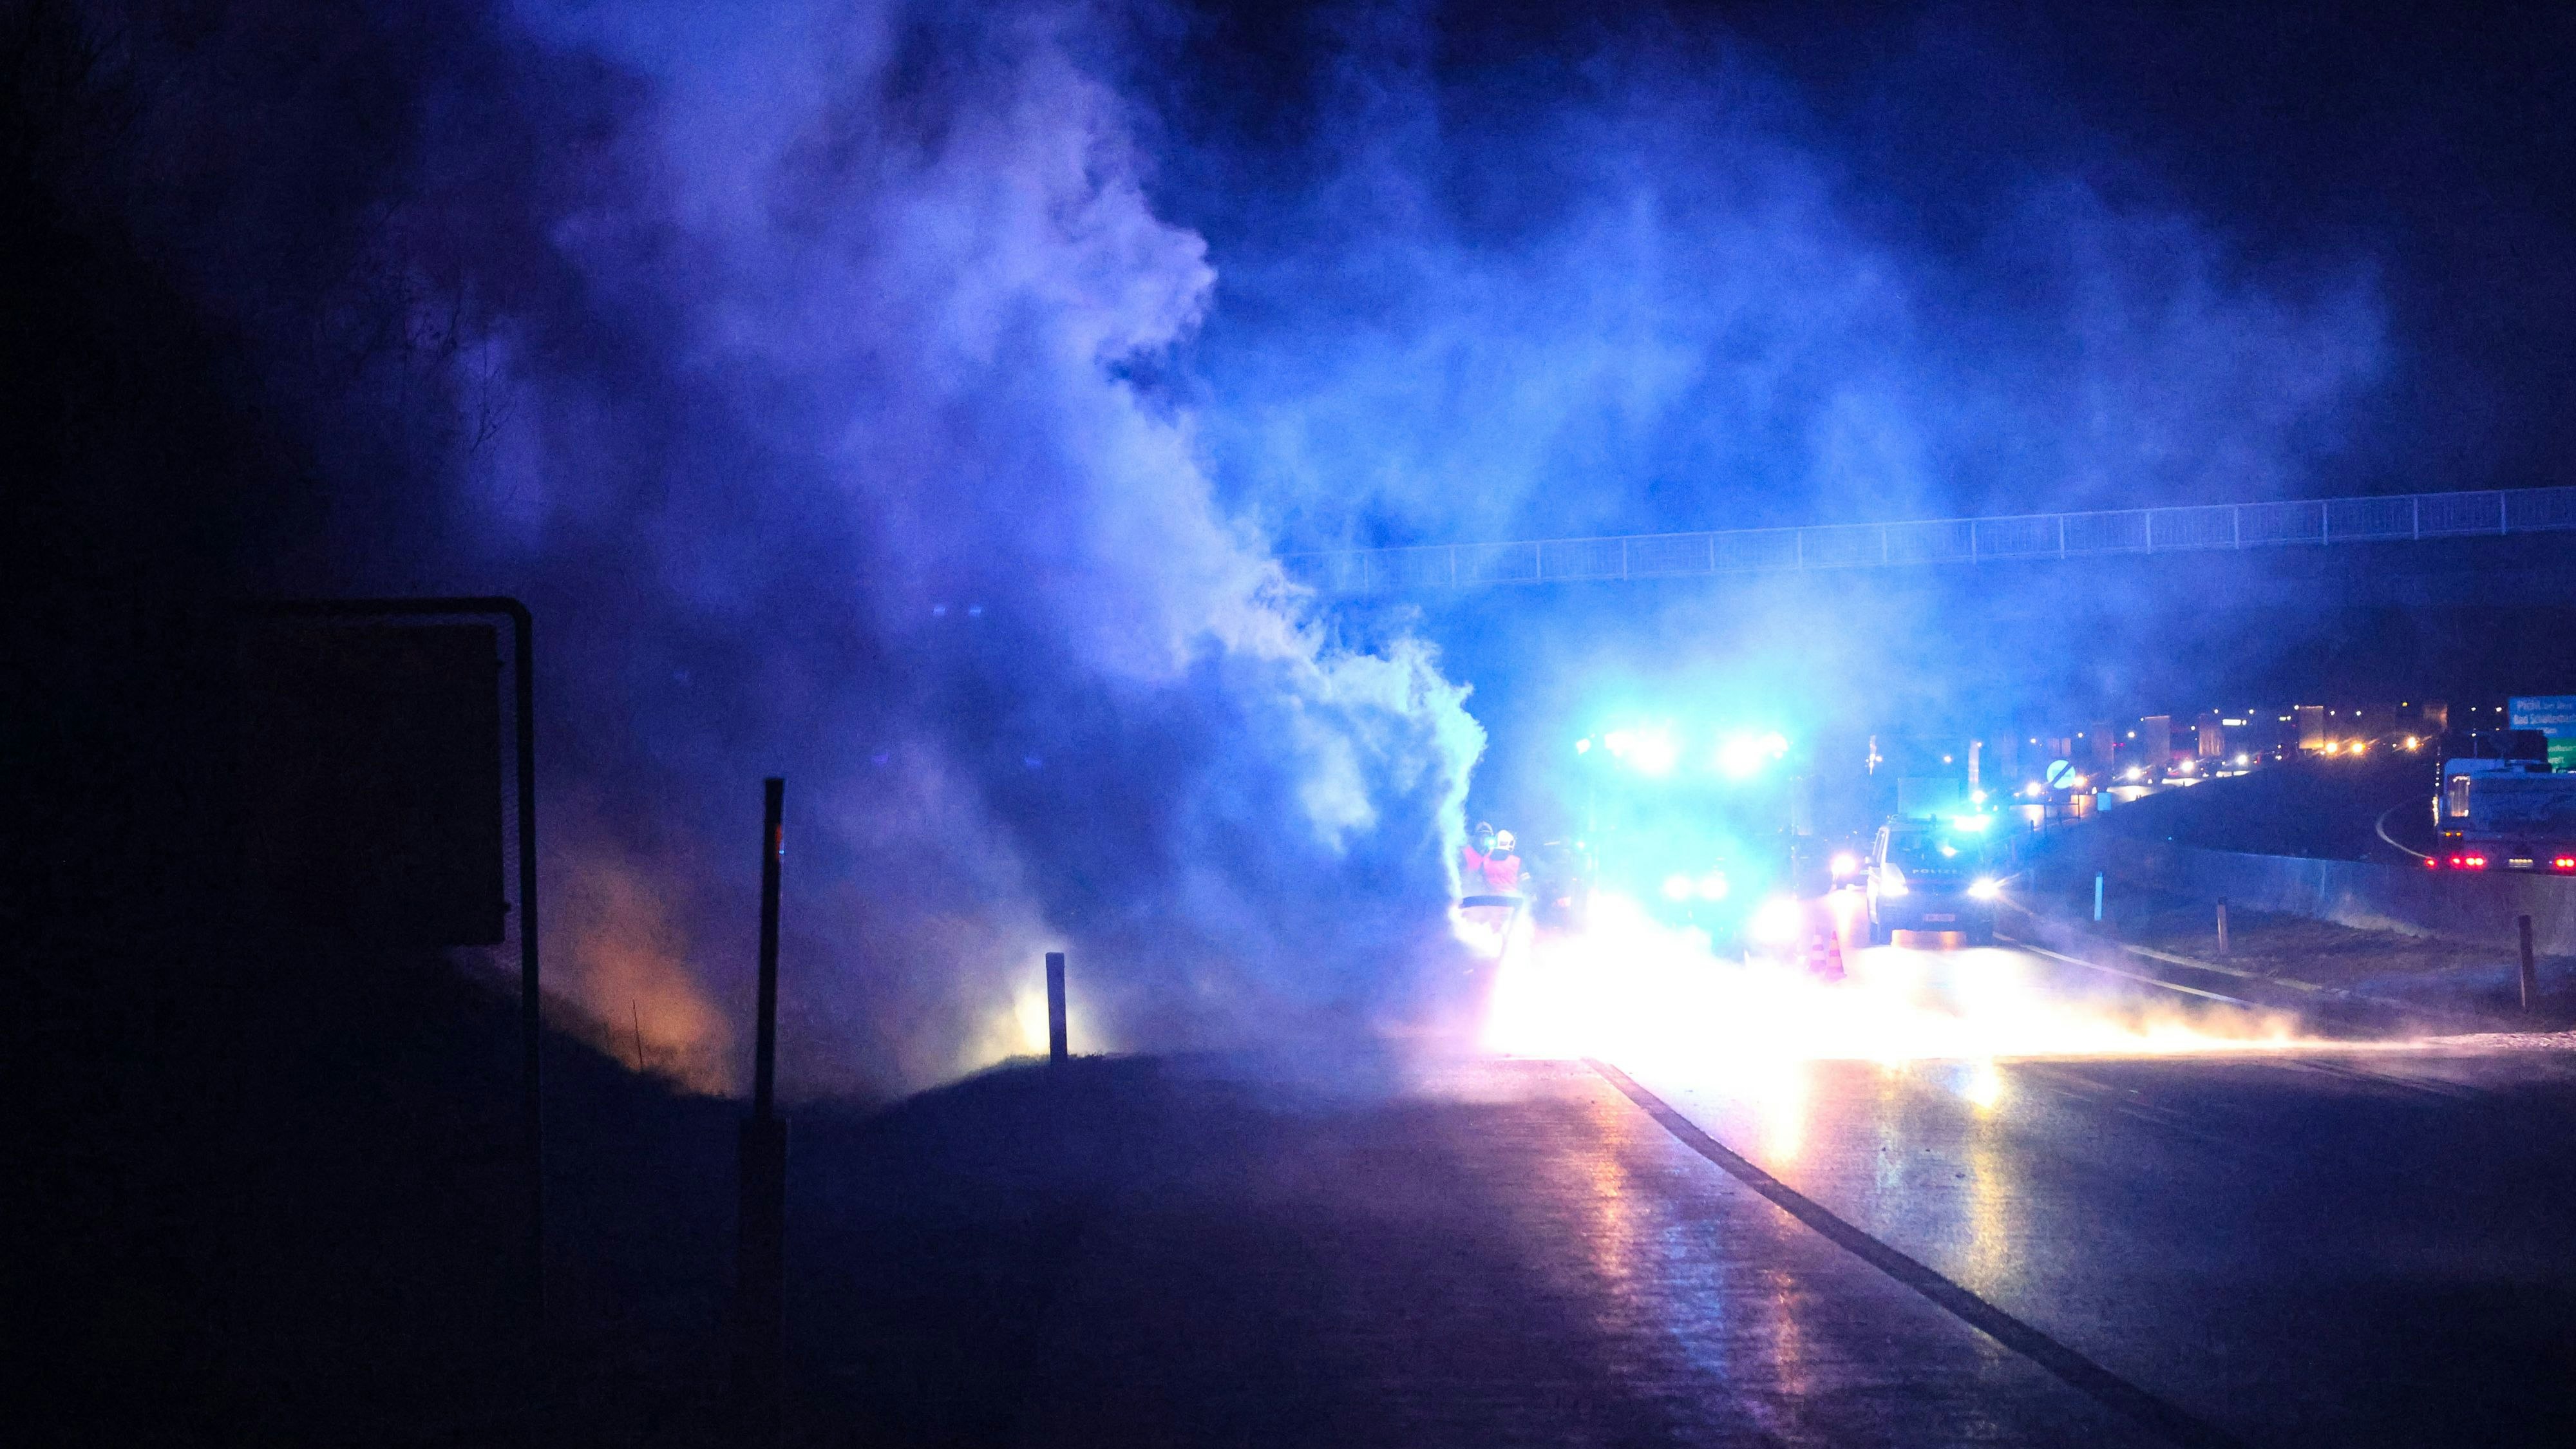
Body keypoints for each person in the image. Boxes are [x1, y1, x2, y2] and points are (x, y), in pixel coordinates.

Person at [1482, 829, 1524, 896]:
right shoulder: (1517, 862)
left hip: (1489, 899)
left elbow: (1479, 881)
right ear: (1511, 844)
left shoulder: (1485, 861)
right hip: (1512, 899)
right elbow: (1526, 883)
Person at [1461, 821, 1495, 892]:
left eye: (1487, 835)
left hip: (1489, 893)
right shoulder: (1465, 853)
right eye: (1481, 835)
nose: (1484, 838)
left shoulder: (1494, 854)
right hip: (1470, 892)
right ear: (1475, 837)